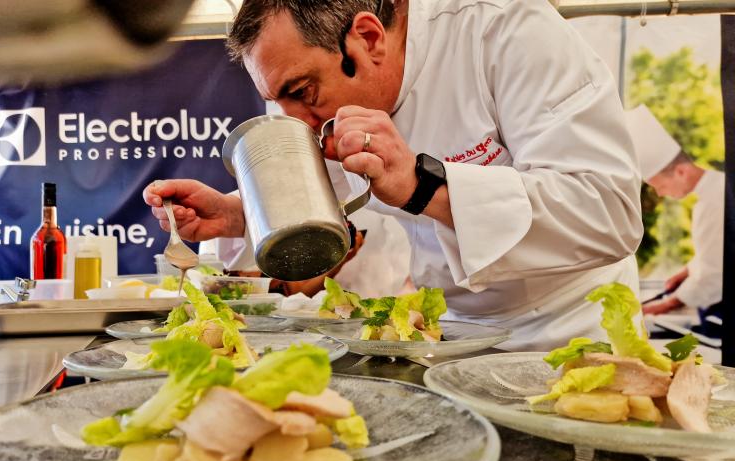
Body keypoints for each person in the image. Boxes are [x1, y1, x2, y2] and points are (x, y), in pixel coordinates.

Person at [144, 0, 643, 351]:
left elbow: (609, 211)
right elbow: (328, 191)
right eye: (280, 101)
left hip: (573, 332)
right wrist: (237, 213)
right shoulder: (312, 97)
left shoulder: (504, 30)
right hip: (450, 333)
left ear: (366, 38)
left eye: (303, 92)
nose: (296, 122)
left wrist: (426, 187)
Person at [624, 105, 724, 322]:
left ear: (681, 171)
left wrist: (665, 305)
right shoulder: (714, 193)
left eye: (659, 185)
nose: (660, 193)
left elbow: (714, 274)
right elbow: (717, 253)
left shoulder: (716, 201)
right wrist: (687, 272)